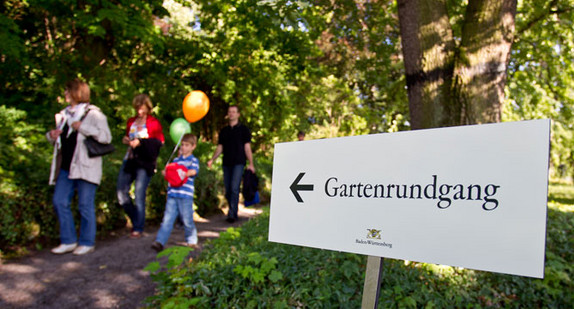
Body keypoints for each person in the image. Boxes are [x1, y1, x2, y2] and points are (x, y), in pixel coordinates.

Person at [47, 79, 112, 255]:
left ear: (76, 93)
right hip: (66, 166)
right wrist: (51, 135)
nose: (65, 94)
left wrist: (83, 127)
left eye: (68, 91)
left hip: (86, 167)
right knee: (60, 201)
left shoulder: (94, 114)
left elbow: (106, 137)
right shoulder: (63, 115)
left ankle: (87, 242)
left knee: (85, 205)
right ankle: (68, 240)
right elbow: (59, 139)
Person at [117, 94, 165, 238]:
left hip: (145, 163)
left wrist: (142, 143)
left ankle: (138, 227)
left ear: (148, 108)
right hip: (130, 159)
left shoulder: (153, 123)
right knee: (121, 193)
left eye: (142, 108)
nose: (139, 111)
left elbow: (159, 143)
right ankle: (136, 219)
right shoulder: (131, 122)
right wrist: (127, 140)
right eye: (137, 108)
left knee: (139, 194)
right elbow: (127, 137)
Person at [151, 133, 200, 252]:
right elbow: (171, 175)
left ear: (193, 146)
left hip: (185, 195)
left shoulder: (193, 160)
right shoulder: (176, 161)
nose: (183, 147)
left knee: (187, 219)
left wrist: (187, 173)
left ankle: (191, 241)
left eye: (186, 145)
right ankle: (160, 241)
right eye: (182, 145)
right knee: (167, 219)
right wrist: (166, 173)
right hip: (173, 194)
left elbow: (194, 171)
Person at [207, 105, 255, 223]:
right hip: (226, 163)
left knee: (234, 187)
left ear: (238, 114)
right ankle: (233, 209)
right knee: (228, 189)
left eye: (234, 112)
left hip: (239, 162)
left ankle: (232, 213)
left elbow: (247, 147)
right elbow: (220, 148)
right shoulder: (224, 131)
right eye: (230, 112)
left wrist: (251, 163)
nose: (231, 114)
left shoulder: (244, 130)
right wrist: (212, 159)